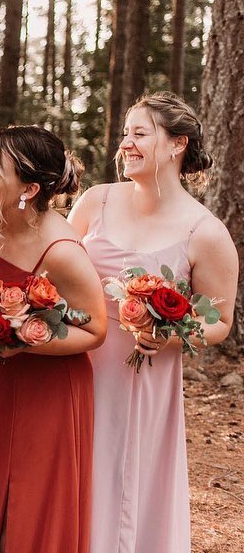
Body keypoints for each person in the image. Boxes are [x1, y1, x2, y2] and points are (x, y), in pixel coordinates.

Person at [68, 92, 238, 553]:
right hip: (74, 368)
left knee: (125, 482)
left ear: (176, 144)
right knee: (73, 475)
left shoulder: (205, 231)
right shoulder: (95, 201)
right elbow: (57, 268)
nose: (125, 144)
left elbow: (220, 320)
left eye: (140, 134)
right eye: (126, 134)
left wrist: (170, 337)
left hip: (142, 379)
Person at [0, 125, 107, 553]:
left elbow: (95, 330)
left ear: (29, 189)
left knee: (29, 508)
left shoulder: (63, 251)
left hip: (47, 392)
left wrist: (27, 337)